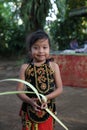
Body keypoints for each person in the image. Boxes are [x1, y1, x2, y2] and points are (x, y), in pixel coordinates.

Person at [16, 30, 63, 130]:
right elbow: (19, 91)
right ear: (30, 50)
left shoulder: (54, 66)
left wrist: (46, 98)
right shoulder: (25, 67)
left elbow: (59, 89)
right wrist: (29, 100)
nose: (41, 51)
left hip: (47, 108)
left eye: (44, 47)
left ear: (49, 48)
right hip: (29, 108)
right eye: (36, 48)